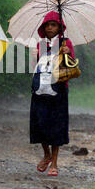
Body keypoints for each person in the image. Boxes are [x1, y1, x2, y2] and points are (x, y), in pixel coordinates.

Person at [30, 11, 75, 176]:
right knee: (40, 124)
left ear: (60, 27)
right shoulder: (40, 44)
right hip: (40, 90)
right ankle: (46, 154)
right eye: (47, 25)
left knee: (56, 127)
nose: (50, 28)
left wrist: (67, 54)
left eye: (53, 25)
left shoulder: (66, 43)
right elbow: (35, 68)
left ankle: (54, 163)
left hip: (58, 91)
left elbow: (72, 69)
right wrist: (33, 58)